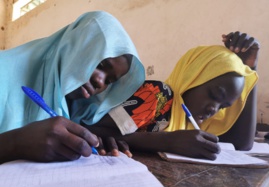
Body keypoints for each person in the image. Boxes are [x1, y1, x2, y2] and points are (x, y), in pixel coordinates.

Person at [83, 31, 259, 160]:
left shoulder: (196, 121)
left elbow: (242, 144)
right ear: (192, 75)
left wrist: (251, 68)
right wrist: (167, 141)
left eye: (223, 106)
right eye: (213, 94)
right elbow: (92, 130)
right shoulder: (157, 96)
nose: (214, 109)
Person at [0, 11, 145, 164]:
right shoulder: (4, 71)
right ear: (74, 46)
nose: (100, 82)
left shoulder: (75, 105)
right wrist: (15, 143)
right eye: (100, 64)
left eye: (109, 81)